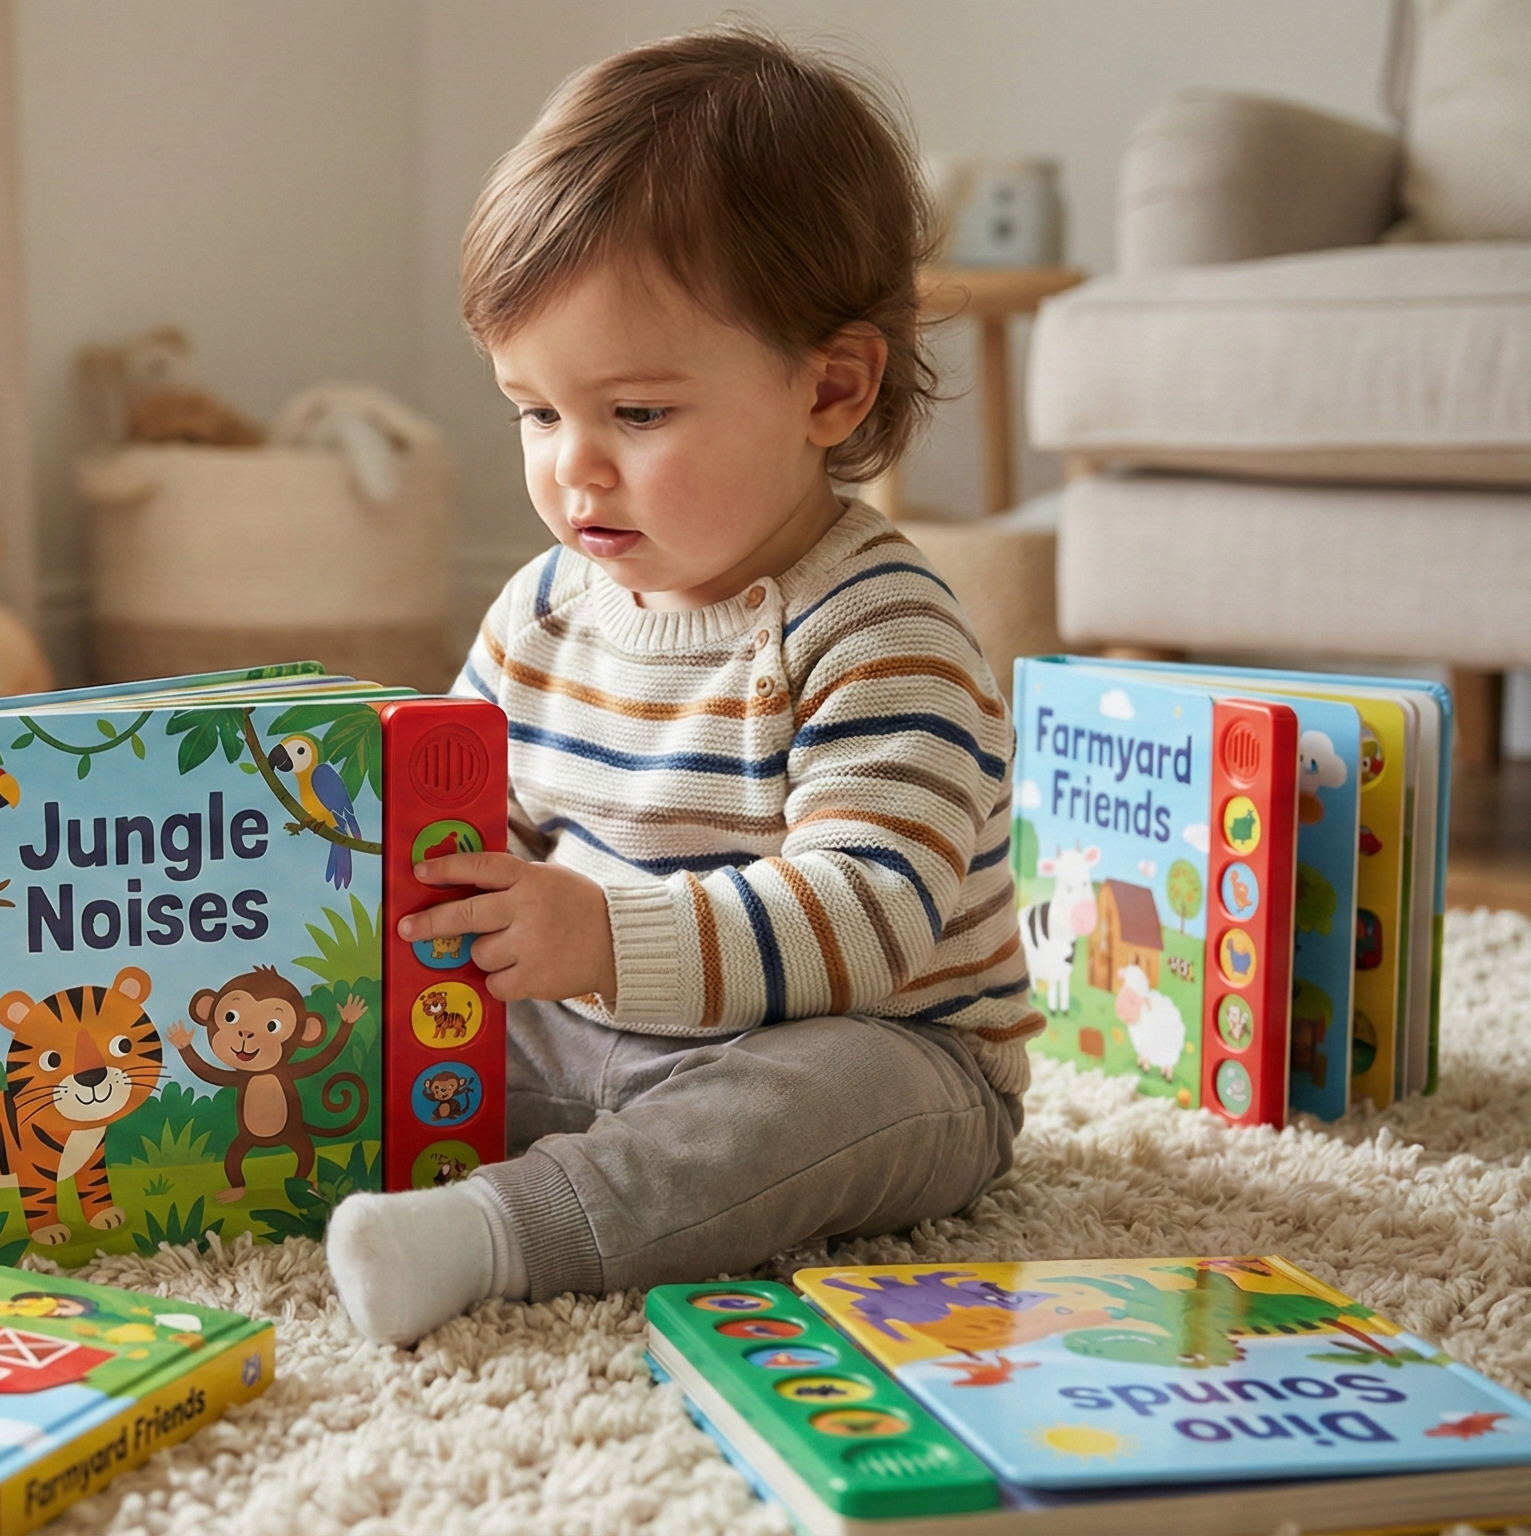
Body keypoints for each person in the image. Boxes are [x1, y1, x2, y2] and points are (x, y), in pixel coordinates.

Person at [322, 25, 1035, 1346]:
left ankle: (499, 1231)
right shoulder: (543, 606)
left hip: (869, 1047)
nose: (572, 468)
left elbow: (868, 917)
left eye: (636, 415)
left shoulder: (884, 628)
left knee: (830, 1098)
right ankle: (85, 1146)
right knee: (345, 1025)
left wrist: (601, 937)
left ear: (831, 389)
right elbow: (473, 829)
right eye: (538, 412)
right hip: (589, 1022)